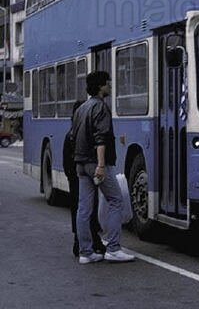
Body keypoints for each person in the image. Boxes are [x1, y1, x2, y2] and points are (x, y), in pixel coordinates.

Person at [71, 71, 135, 264]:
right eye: (108, 83)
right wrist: (100, 165)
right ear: (100, 86)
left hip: (81, 164)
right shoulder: (100, 107)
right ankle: (114, 248)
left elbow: (74, 136)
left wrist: (79, 163)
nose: (110, 86)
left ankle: (85, 252)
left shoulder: (81, 108)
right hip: (96, 164)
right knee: (116, 201)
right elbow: (101, 138)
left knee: (84, 209)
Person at [63, 101, 105, 258]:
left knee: (81, 211)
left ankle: (81, 242)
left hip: (76, 178)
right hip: (80, 179)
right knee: (87, 211)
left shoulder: (71, 134)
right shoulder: (78, 134)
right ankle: (85, 243)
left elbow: (67, 163)